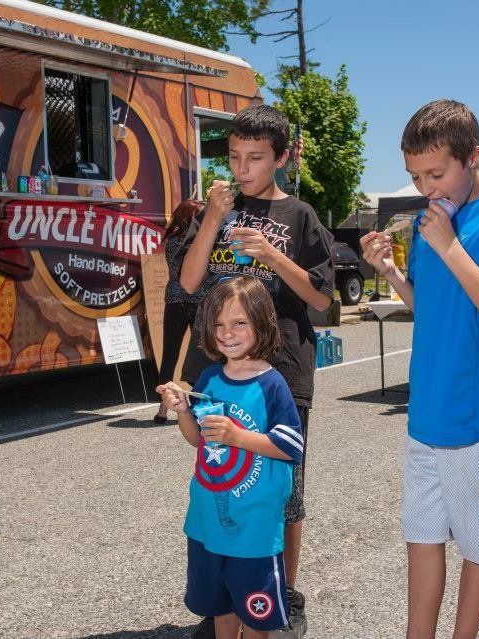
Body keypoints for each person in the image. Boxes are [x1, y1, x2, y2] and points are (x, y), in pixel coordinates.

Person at [360, 99, 479, 639]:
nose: (426, 188)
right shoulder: (426, 222)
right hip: (426, 413)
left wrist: (450, 244)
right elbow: (434, 305)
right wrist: (390, 271)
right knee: (423, 538)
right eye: (416, 177)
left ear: (473, 157)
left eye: (437, 173)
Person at [178, 104, 334, 637]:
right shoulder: (217, 209)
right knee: (223, 478)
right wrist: (214, 219)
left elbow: (320, 297)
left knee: (282, 489)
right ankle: (227, 593)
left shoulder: (300, 216)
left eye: (256, 158)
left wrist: (269, 252)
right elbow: (192, 281)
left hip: (281, 372)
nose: (243, 169)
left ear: (282, 159)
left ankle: (279, 593)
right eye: (235, 157)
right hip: (216, 374)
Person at [156, 276, 304, 639]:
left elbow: (290, 447)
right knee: (221, 609)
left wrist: (238, 436)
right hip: (208, 523)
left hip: (253, 531)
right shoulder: (209, 377)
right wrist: (181, 411)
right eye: (219, 324)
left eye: (239, 322)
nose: (227, 332)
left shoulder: (272, 384)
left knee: (255, 618)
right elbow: (198, 441)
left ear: (261, 323)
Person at [154, 199, 206, 424]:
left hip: (174, 300)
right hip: (197, 300)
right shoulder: (199, 242)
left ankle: (162, 409)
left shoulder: (172, 240)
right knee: (202, 353)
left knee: (170, 355)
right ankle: (200, 405)